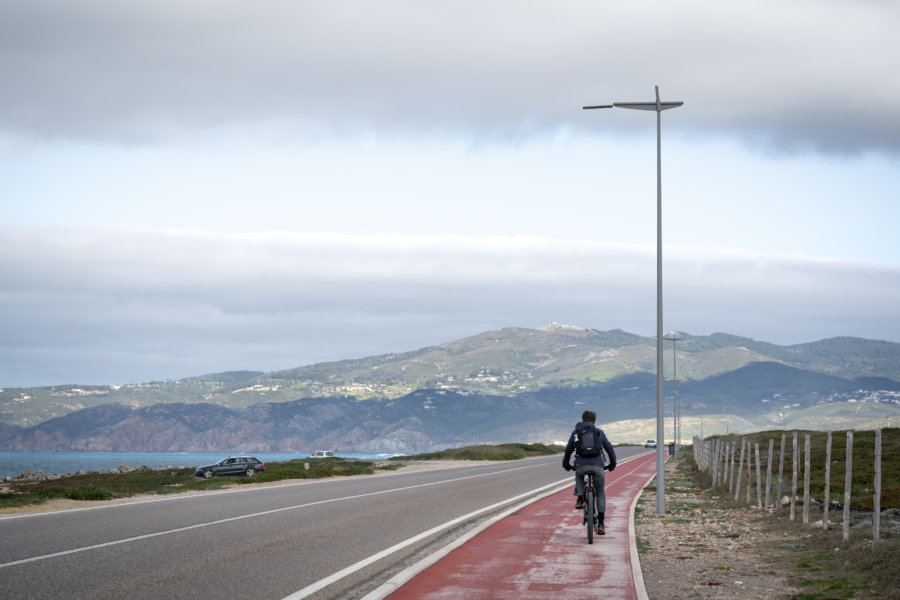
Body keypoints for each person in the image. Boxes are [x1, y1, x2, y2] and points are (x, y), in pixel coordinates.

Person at [562, 410, 616, 533]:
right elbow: (609, 449)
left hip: (581, 465)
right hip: (598, 466)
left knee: (578, 472)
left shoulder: (576, 432)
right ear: (594, 421)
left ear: (582, 419)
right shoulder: (598, 432)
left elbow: (568, 450)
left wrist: (566, 464)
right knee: (600, 491)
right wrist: (612, 464)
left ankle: (580, 498)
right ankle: (601, 524)